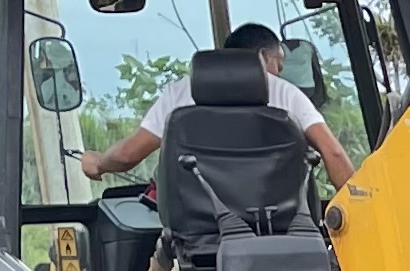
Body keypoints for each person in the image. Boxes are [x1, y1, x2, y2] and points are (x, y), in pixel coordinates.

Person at [75, 22, 357, 186]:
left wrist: (99, 162)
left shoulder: (181, 93)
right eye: (278, 64)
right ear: (262, 56)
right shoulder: (287, 95)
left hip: (195, 233)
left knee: (159, 260)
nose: (279, 73)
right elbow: (333, 153)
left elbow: (128, 155)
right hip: (278, 226)